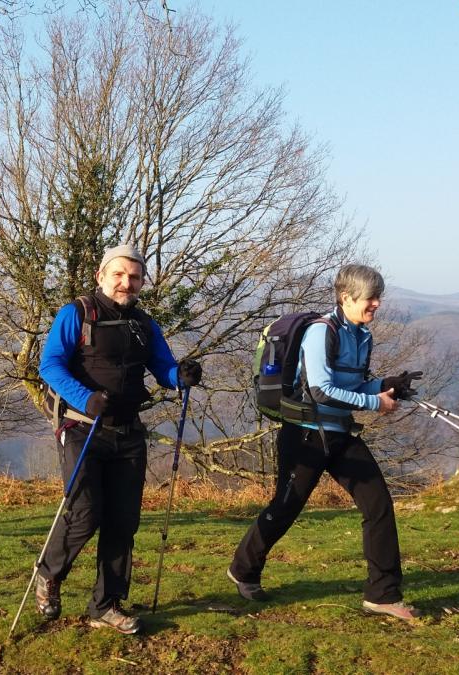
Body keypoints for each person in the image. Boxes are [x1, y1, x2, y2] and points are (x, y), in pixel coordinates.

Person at [227, 264, 423, 622]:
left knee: (378, 504)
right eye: (370, 298)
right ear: (346, 297)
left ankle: (383, 594)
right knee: (286, 506)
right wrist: (375, 403)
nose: (377, 304)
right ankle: (244, 569)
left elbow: (353, 386)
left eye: (378, 297)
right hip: (304, 434)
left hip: (339, 433)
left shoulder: (362, 335)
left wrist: (386, 384)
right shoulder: (321, 332)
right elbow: (320, 390)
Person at [37, 244, 202, 635]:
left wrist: (182, 376)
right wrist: (85, 399)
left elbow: (162, 367)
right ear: (101, 276)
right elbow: (50, 365)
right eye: (119, 275)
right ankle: (49, 573)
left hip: (128, 431)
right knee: (86, 514)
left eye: (134, 277)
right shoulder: (76, 313)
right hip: (81, 427)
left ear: (142, 281)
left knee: (123, 521)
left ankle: (106, 605)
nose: (126, 282)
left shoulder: (144, 324)